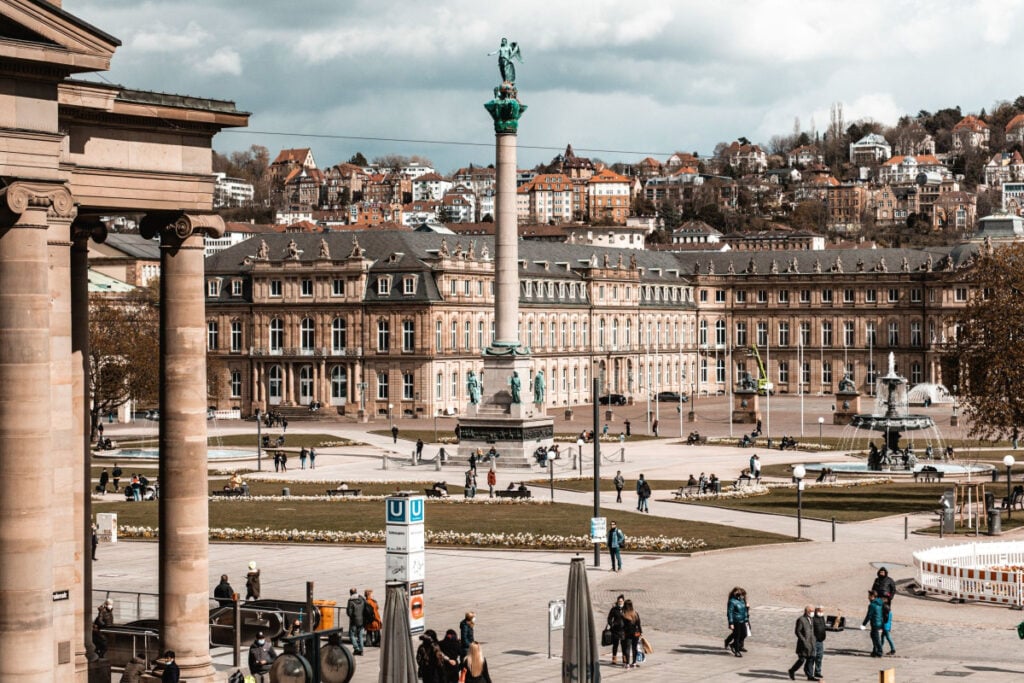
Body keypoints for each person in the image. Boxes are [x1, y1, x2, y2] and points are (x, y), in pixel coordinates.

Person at [788, 604, 818, 681]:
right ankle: (792, 670)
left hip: (811, 643)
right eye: (811, 611)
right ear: (807, 611)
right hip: (803, 644)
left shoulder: (812, 619)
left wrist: (814, 639)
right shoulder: (801, 619)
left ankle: (810, 676)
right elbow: (798, 631)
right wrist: (803, 640)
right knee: (802, 659)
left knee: (811, 659)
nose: (813, 612)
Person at [861, 590, 885, 657]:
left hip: (875, 623)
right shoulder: (880, 603)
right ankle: (875, 651)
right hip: (879, 622)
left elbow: (869, 615)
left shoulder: (872, 605)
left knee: (876, 637)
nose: (868, 597)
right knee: (873, 635)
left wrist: (863, 624)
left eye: (869, 596)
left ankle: (879, 651)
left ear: (872, 596)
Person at [725, 587, 749, 657]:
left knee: (744, 634)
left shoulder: (742, 600)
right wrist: (731, 623)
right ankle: (737, 651)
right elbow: (730, 613)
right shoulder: (732, 601)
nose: (743, 596)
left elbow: (744, 611)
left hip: (742, 620)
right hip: (736, 621)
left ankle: (733, 645)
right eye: (742, 595)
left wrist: (746, 618)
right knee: (737, 636)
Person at [620, 599, 641, 669]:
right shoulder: (635, 613)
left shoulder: (624, 614)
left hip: (628, 633)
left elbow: (622, 625)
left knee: (627, 648)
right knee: (634, 648)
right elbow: (639, 624)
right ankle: (634, 663)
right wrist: (640, 632)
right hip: (636, 633)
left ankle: (627, 664)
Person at [346, 587, 366, 655]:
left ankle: (356, 648)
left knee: (351, 635)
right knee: (360, 635)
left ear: (350, 593)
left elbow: (349, 613)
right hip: (362, 620)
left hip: (354, 621)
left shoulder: (350, 601)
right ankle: (361, 649)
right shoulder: (362, 599)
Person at [607, 594, 626, 664]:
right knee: (615, 645)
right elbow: (609, 618)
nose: (620, 602)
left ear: (623, 601)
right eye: (619, 601)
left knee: (624, 645)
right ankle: (614, 658)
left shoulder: (626, 609)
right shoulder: (614, 609)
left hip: (624, 630)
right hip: (616, 630)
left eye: (621, 601)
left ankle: (624, 658)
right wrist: (611, 624)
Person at [811, 605, 827, 679]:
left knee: (819, 657)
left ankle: (817, 672)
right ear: (816, 610)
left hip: (820, 640)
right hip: (814, 640)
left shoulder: (822, 617)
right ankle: (810, 673)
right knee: (812, 657)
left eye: (822, 611)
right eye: (820, 611)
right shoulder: (812, 618)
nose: (821, 612)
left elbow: (823, 627)